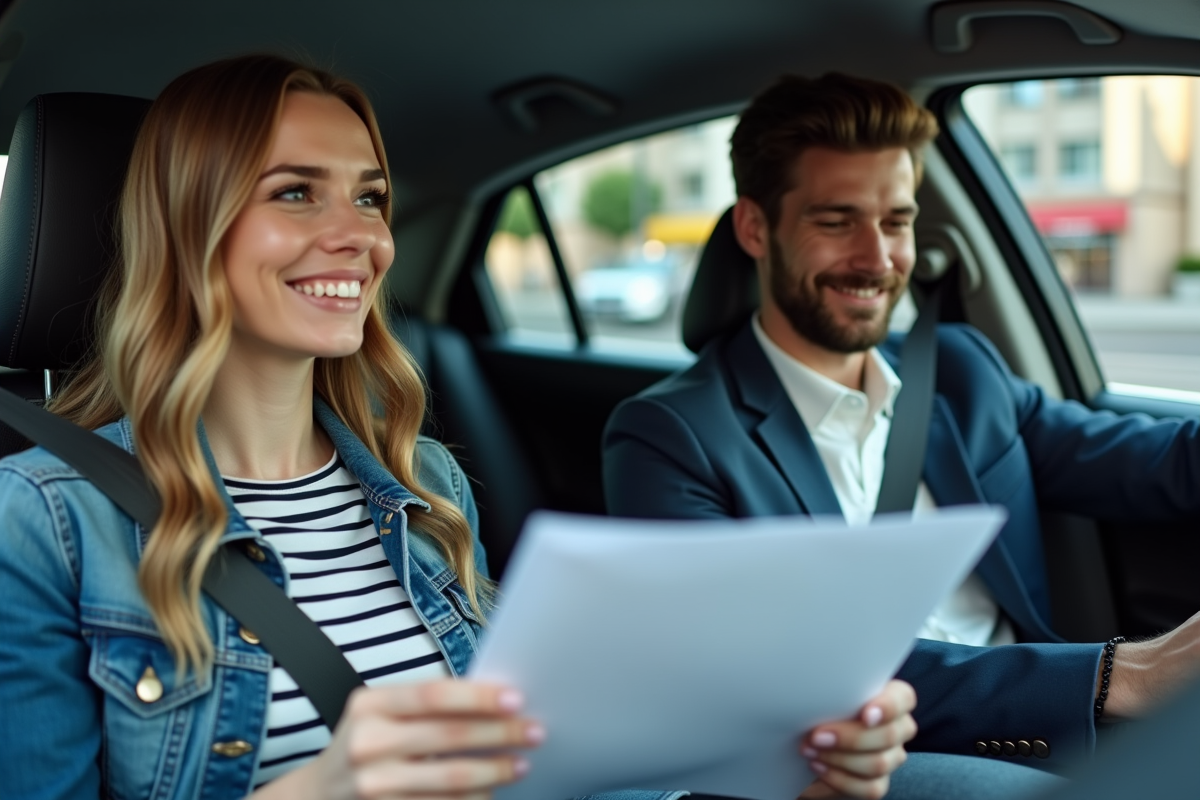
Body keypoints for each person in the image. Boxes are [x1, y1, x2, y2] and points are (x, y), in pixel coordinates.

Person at [0, 56, 915, 800]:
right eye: (293, 193)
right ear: (186, 222)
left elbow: (532, 763)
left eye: (368, 197)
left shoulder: (425, 487)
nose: (360, 236)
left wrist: (790, 776)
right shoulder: (45, 522)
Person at [603, 73, 1200, 785]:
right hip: (858, 765)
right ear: (755, 229)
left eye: (896, 221)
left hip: (1051, 725)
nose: (879, 259)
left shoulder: (960, 371)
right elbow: (784, 667)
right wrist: (1117, 675)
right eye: (836, 221)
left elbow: (1151, 461)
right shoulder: (669, 435)